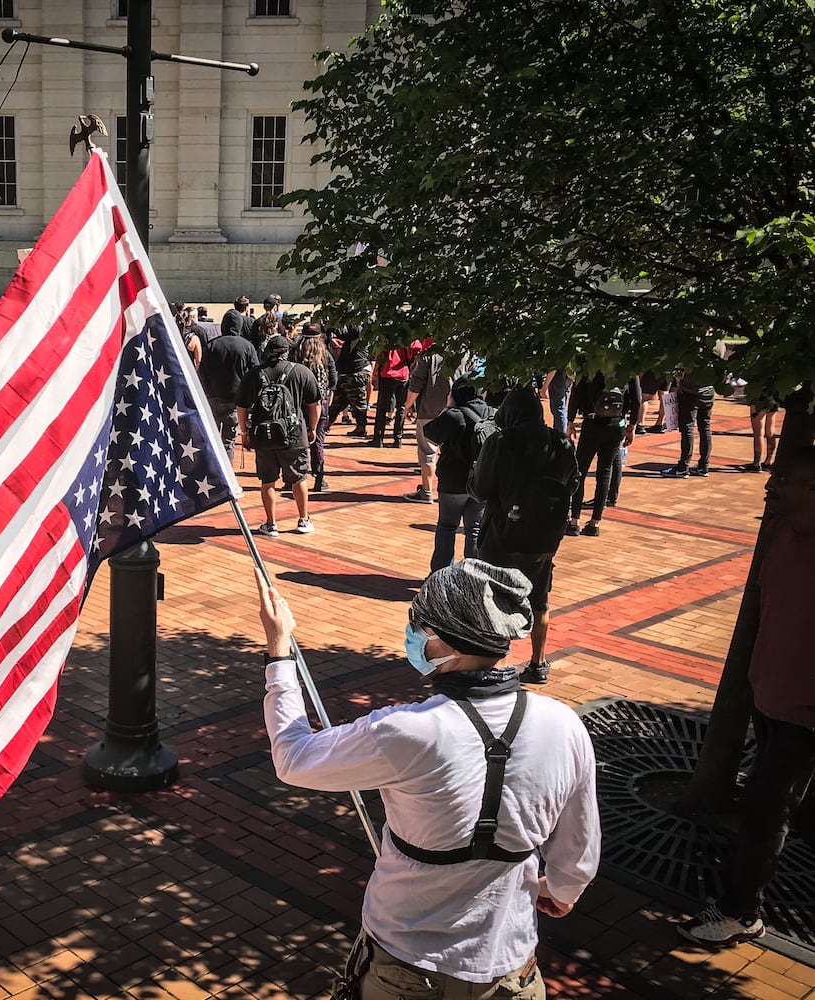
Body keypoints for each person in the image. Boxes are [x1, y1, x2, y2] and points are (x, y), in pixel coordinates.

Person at [256, 559, 599, 999]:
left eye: (418, 624)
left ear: (441, 638)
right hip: (510, 968)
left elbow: (293, 757)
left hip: (406, 966)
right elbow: (580, 845)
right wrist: (564, 889)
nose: (412, 634)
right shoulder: (563, 724)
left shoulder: (407, 730)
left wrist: (279, 651)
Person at [679, 447, 815, 948]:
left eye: (785, 478)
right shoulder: (780, 536)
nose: (770, 484)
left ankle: (741, 911)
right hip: (769, 697)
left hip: (806, 714)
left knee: (764, 808)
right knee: (771, 802)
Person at [469, 388, 579, 685]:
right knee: (540, 598)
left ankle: (495, 664)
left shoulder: (501, 442)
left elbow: (480, 490)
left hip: (502, 537)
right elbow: (574, 482)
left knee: (493, 599)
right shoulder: (561, 442)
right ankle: (538, 663)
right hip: (544, 537)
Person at [236, 334, 321, 536]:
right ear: (288, 352)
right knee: (299, 478)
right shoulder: (302, 372)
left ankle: (271, 523)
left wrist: (245, 432)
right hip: (294, 434)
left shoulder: (254, 374)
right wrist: (312, 428)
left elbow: (242, 407)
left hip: (264, 435)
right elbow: (315, 405)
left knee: (267, 481)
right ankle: (303, 519)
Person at [424, 379, 494, 572]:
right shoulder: (492, 414)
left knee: (447, 527)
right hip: (481, 481)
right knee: (474, 530)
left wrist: (447, 408)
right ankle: (474, 575)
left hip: (453, 482)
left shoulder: (455, 416)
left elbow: (429, 432)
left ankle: (441, 573)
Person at [566, 372, 641, 536]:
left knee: (580, 470)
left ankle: (574, 521)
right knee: (605, 472)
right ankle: (595, 522)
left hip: (592, 423)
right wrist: (632, 427)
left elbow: (576, 395)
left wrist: (570, 423)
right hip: (616, 424)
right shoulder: (627, 366)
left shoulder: (591, 364)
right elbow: (637, 400)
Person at [198, 316, 260, 463]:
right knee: (229, 441)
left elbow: (202, 372)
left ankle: (211, 471)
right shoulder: (247, 346)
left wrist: (207, 391)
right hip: (236, 401)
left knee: (211, 439)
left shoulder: (212, 345)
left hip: (214, 398)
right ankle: (227, 475)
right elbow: (255, 373)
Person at [403, 339, 451, 502]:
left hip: (429, 409)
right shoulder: (464, 353)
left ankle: (427, 490)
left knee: (427, 451)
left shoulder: (428, 356)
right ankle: (447, 489)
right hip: (453, 411)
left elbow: (416, 383)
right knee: (450, 451)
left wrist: (408, 406)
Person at [291, 326, 336, 493]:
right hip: (319, 402)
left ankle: (293, 477)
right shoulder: (325, 355)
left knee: (295, 440)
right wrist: (329, 393)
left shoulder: (295, 353)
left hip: (298, 403)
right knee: (317, 440)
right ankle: (319, 477)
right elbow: (333, 377)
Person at [662, 367, 714, 478]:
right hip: (708, 392)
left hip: (690, 392)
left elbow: (681, 368)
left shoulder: (693, 350)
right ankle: (704, 466)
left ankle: (683, 467)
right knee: (705, 428)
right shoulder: (720, 348)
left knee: (687, 429)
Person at [370, 341, 418, 448]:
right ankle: (398, 439)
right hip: (403, 374)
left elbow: (380, 355)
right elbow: (415, 350)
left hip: (387, 373)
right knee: (401, 408)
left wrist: (375, 372)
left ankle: (378, 439)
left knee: (382, 408)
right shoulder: (406, 336)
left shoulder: (386, 336)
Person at [741, 394, 780, 473]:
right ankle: (768, 461)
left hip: (759, 398)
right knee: (771, 431)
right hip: (773, 397)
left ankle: (756, 463)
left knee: (758, 433)